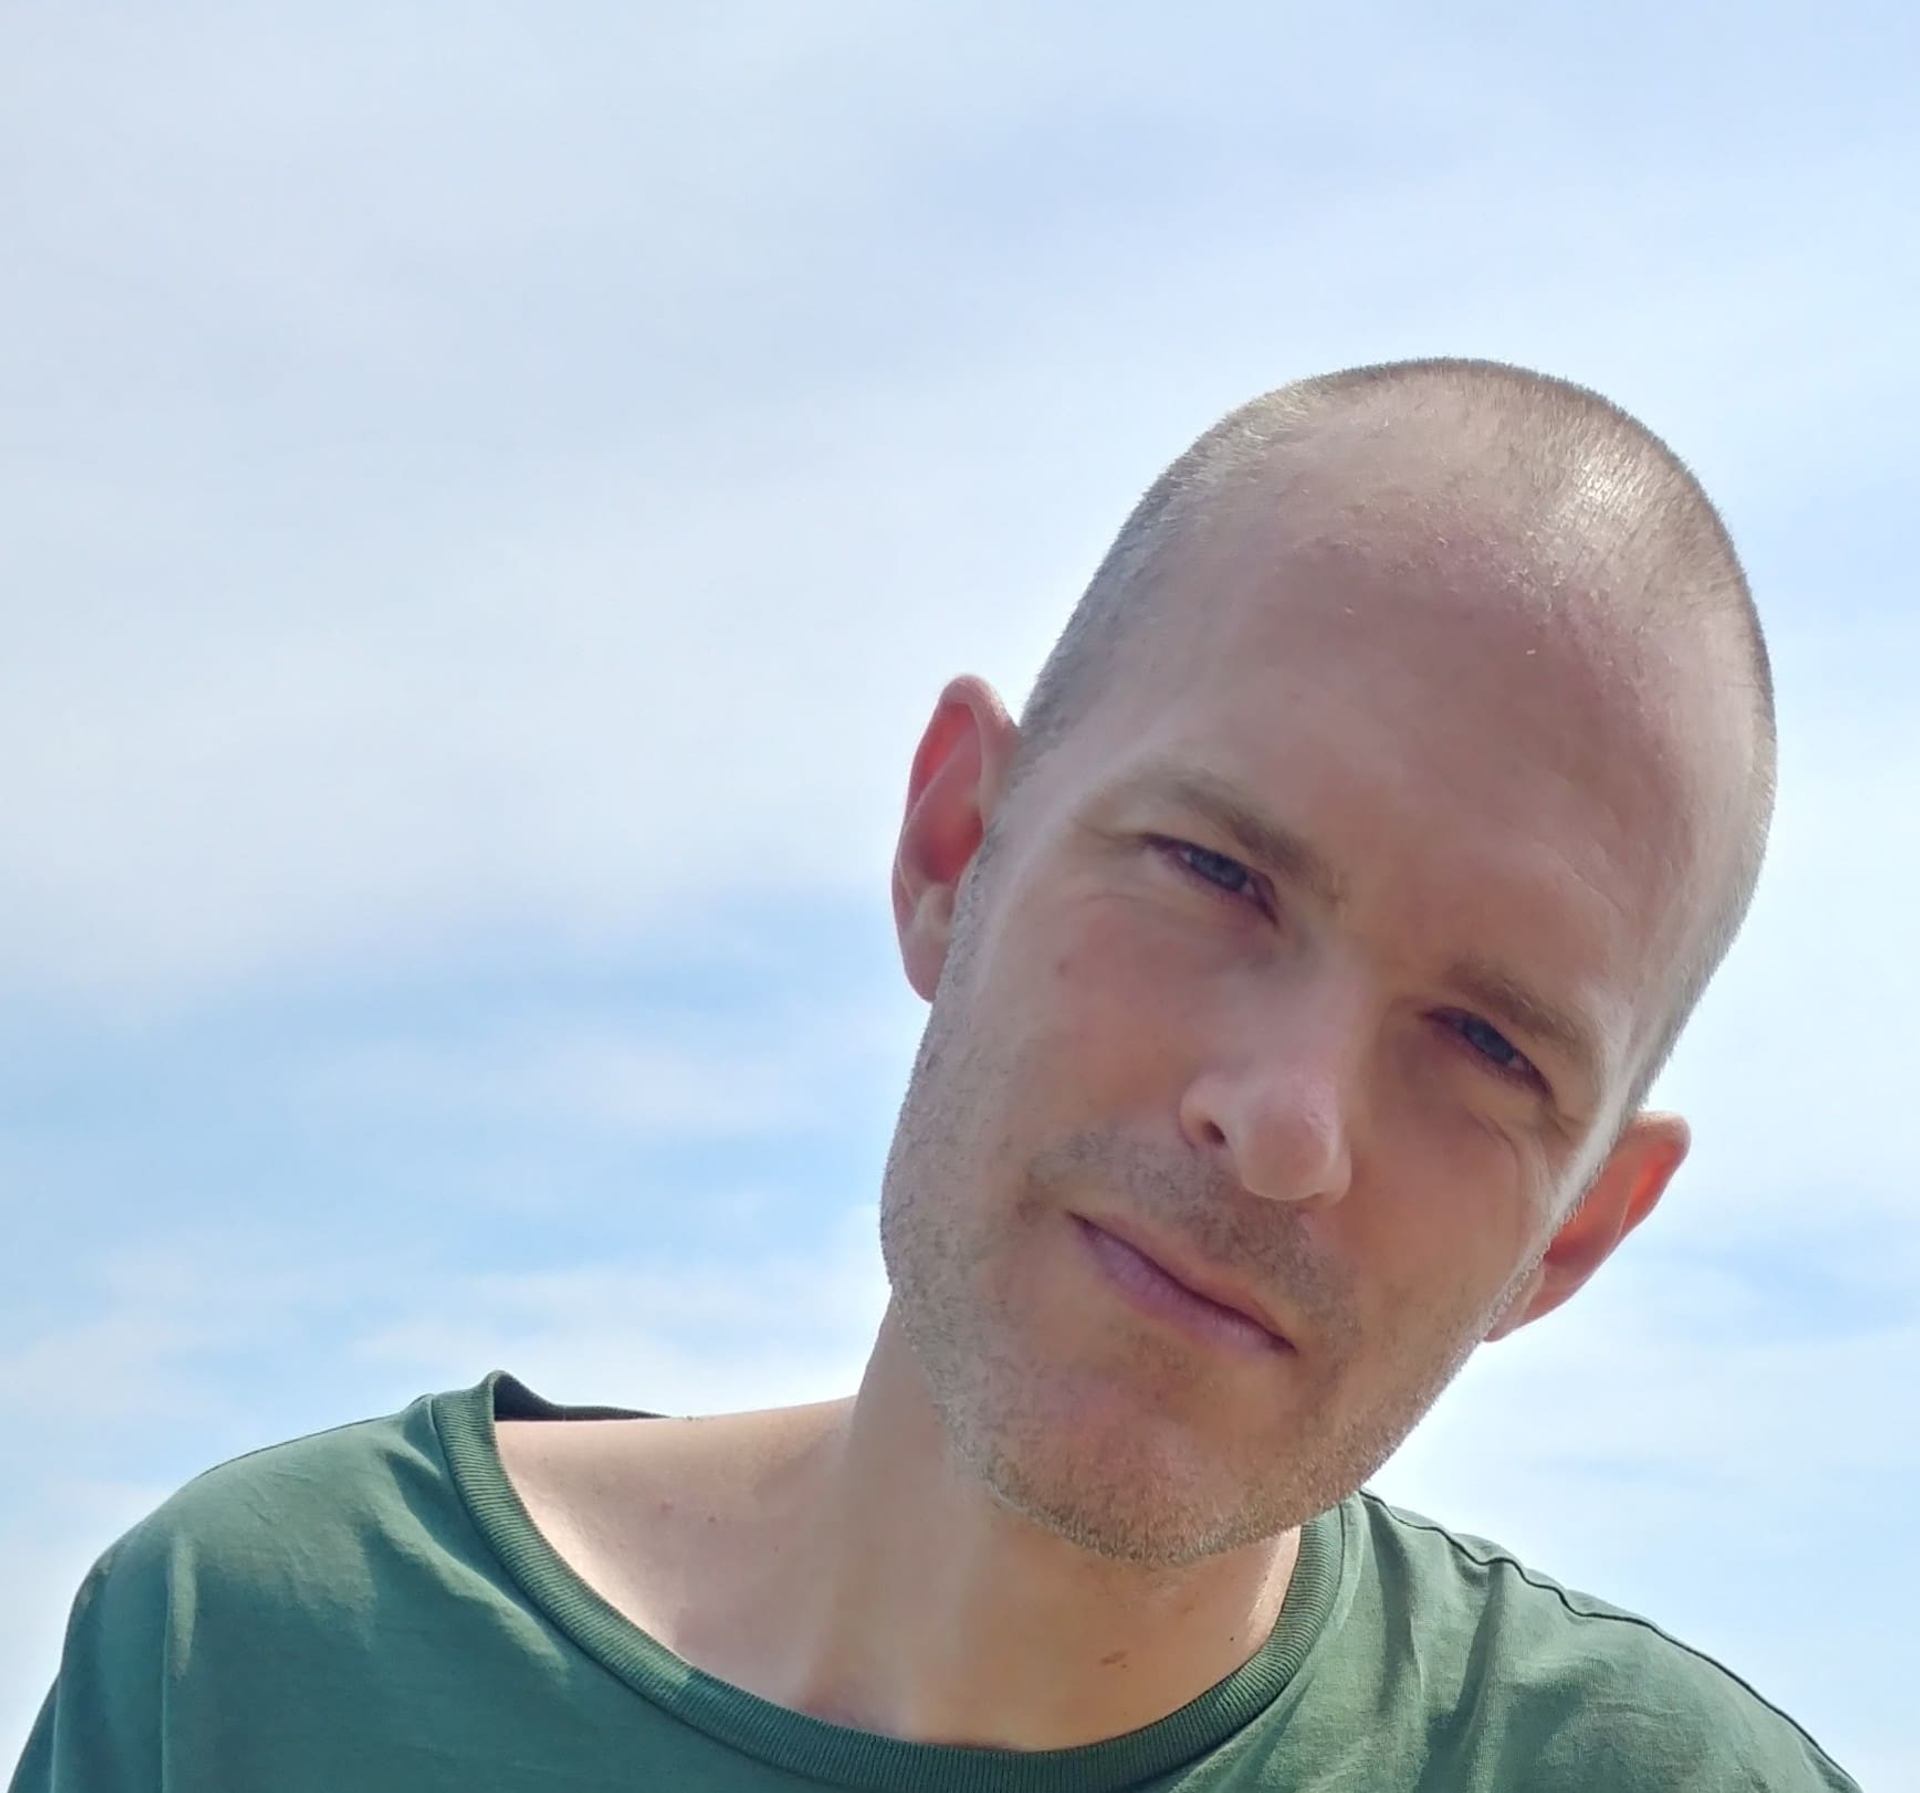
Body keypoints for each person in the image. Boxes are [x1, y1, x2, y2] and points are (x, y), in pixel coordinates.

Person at [11, 358, 1862, 1792]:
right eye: (1216, 872)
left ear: (1575, 1234)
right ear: (955, 846)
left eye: (1488, 1044)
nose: (1287, 1123)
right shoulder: (255, 1662)